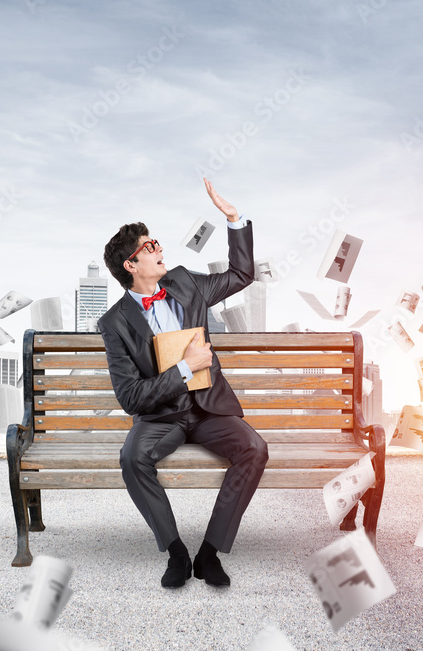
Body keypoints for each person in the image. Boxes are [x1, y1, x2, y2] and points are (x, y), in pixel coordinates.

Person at [97, 178, 269, 588]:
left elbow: (242, 274)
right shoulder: (114, 323)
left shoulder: (185, 283)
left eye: (155, 243)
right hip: (161, 418)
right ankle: (175, 550)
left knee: (254, 448)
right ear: (131, 266)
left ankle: (209, 552)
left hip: (208, 408)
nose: (159, 250)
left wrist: (233, 219)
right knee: (132, 459)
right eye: (149, 247)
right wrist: (185, 369)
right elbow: (130, 397)